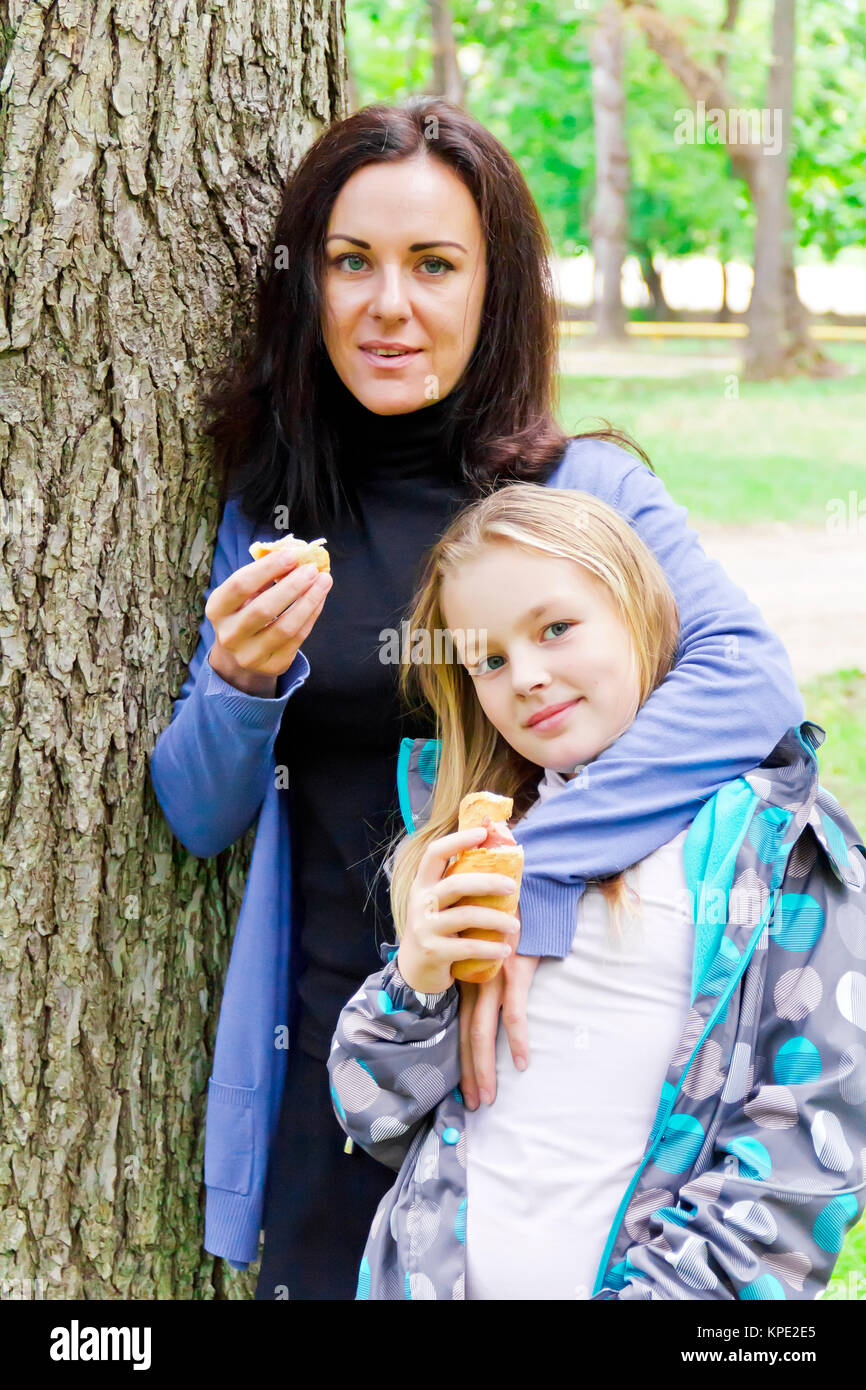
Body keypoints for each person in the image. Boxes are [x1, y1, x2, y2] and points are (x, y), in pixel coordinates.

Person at [148, 97, 807, 1300]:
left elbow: (747, 681)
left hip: (537, 1076)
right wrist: (242, 680)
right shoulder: (270, 506)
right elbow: (198, 816)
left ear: (492, 290)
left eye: (433, 265)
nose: (386, 304)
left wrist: (527, 875)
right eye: (349, 262)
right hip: (335, 1070)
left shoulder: (580, 485)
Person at [329, 482, 866, 1301]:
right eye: (492, 661)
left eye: (556, 629)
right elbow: (372, 1110)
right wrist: (420, 978)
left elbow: (809, 1145)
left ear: (642, 612)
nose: (530, 677)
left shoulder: (775, 845)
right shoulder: (478, 842)